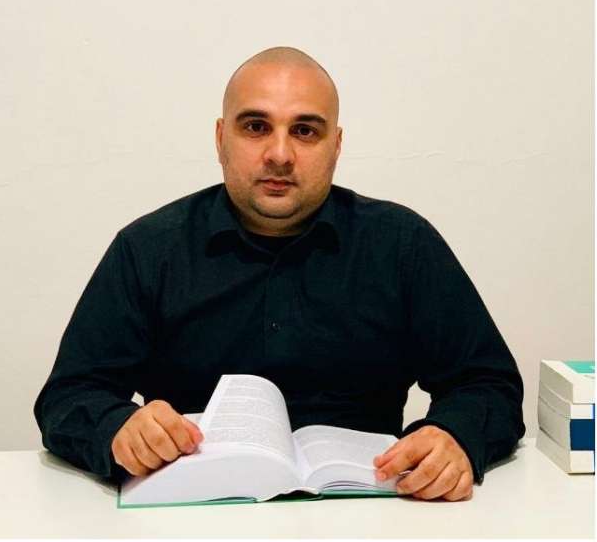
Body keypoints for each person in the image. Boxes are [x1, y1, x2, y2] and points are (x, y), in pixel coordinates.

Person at [34, 46, 525, 502]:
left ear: (336, 145)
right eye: (255, 127)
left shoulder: (401, 244)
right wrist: (118, 427)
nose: (280, 155)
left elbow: (488, 383)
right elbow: (69, 396)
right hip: (196, 514)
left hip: (367, 514)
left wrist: (454, 435)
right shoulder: (148, 249)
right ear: (220, 138)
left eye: (305, 131)